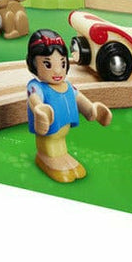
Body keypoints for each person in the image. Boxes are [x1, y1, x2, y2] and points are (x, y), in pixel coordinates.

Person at [26, 29, 112, 182]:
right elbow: (34, 99)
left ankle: (63, 157)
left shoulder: (68, 86)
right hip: (47, 134)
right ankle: (45, 157)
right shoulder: (37, 87)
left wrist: (92, 110)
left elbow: (79, 98)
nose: (58, 70)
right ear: (33, 64)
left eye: (62, 63)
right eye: (48, 64)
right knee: (50, 146)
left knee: (60, 145)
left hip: (63, 130)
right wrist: (39, 109)